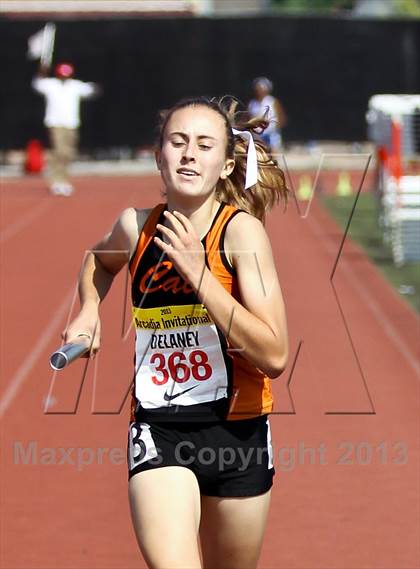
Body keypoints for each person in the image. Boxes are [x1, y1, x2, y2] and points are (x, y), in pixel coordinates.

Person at [63, 96, 289, 569]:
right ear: (158, 156)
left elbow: (274, 354)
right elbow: (97, 261)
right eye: (178, 142)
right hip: (159, 428)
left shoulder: (241, 235)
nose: (189, 154)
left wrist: (199, 273)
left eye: (204, 145)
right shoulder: (137, 226)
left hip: (239, 432)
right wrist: (88, 309)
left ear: (227, 164)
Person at [32, 62, 100, 196]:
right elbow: (37, 84)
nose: (64, 78)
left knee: (68, 154)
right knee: (59, 151)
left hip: (72, 124)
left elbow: (91, 90)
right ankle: (57, 181)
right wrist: (41, 71)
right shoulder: (51, 84)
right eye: (62, 75)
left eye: (66, 75)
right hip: (55, 123)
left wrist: (95, 86)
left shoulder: (75, 86)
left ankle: (64, 180)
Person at [248, 76, 286, 156]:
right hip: (258, 134)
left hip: (272, 132)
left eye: (262, 88)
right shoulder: (252, 103)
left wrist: (276, 128)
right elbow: (249, 118)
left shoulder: (272, 101)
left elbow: (281, 116)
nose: (259, 91)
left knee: (274, 154)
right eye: (258, 88)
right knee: (260, 154)